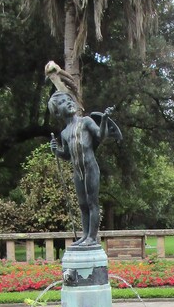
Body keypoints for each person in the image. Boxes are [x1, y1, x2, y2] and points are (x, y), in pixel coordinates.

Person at [48, 90, 121, 248]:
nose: (67, 103)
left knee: (92, 202)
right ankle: (85, 235)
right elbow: (67, 155)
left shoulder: (86, 121)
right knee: (82, 204)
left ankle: (92, 238)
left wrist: (104, 120)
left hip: (90, 167)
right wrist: (56, 151)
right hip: (78, 171)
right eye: (61, 103)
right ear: (57, 113)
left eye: (68, 100)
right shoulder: (64, 132)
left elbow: (101, 136)